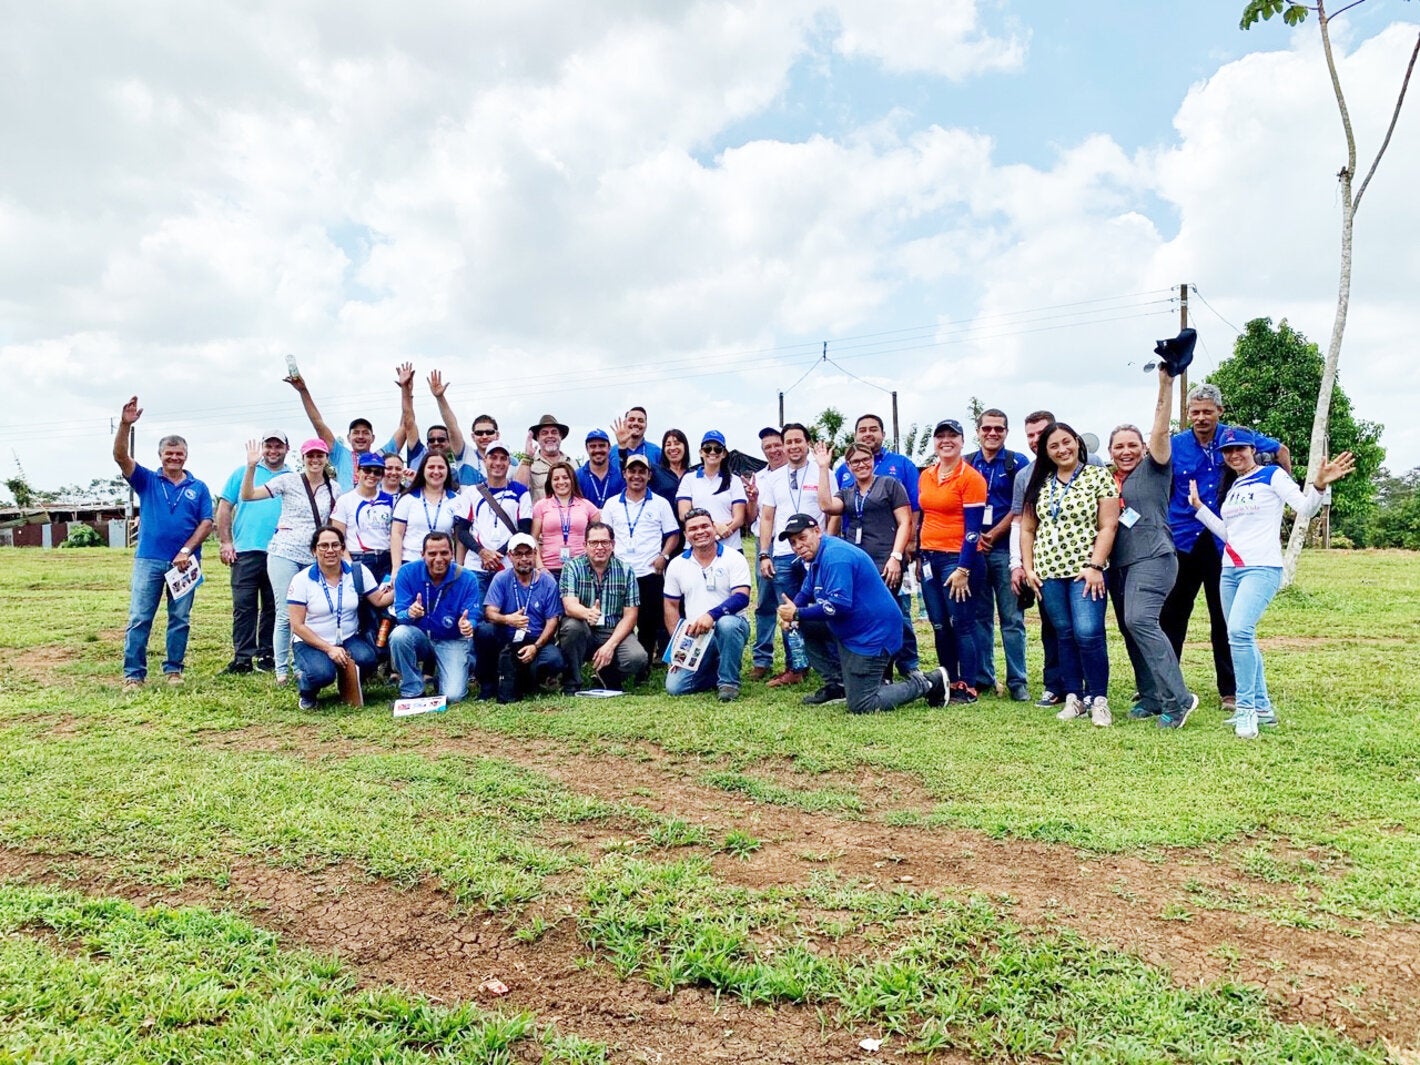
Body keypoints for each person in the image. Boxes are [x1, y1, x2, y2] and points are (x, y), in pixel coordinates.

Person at [1190, 432, 1353, 738]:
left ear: (1252, 449)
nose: (1234, 454)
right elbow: (1229, 534)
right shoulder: (1235, 485)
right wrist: (1199, 507)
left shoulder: (1272, 475)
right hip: (1230, 570)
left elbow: (1305, 509)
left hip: (1262, 567)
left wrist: (1319, 485)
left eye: (1239, 448)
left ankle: (1247, 709)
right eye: (1227, 450)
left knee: (1239, 632)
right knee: (1240, 637)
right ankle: (1263, 709)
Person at [1163, 383, 1291, 712]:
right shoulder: (1175, 445)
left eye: (1208, 411)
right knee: (1174, 613)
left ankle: (1230, 690)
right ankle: (1165, 684)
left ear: (1220, 411)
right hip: (1184, 537)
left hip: (1225, 541)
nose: (1201, 417)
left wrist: (1281, 497)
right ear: (1187, 414)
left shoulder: (1236, 438)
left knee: (1225, 617)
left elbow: (1281, 451)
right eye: (1195, 412)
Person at [776, 514, 947, 713]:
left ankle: (928, 682)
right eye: (793, 542)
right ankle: (838, 685)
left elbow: (839, 606)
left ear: (817, 532)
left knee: (862, 704)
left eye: (802, 538)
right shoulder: (818, 555)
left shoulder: (835, 557)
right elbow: (806, 591)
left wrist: (797, 614)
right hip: (854, 626)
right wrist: (793, 610)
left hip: (873, 632)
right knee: (803, 624)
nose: (798, 546)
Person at [1107, 370, 1199, 729]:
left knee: (1141, 620)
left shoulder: (1155, 468)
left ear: (1143, 448)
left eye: (1133, 445)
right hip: (1121, 564)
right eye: (1119, 446)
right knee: (1130, 628)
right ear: (1111, 452)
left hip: (1154, 556)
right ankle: (1150, 695)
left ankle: (1178, 700)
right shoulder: (1108, 478)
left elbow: (1161, 430)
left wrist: (1166, 383)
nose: (1126, 451)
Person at [1019, 422, 1120, 726]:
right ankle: (1074, 697)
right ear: (1045, 452)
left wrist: (1096, 565)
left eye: (1067, 442)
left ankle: (1098, 699)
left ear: (1077, 442)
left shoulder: (1098, 475)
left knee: (1088, 632)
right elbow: (1027, 528)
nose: (1062, 449)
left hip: (1084, 571)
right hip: (1049, 572)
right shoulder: (1040, 482)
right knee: (1063, 634)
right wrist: (1028, 568)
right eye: (1054, 446)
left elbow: (1108, 525)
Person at [112, 397, 214, 689]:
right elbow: (121, 457)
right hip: (149, 560)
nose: (174, 458)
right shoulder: (146, 481)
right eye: (169, 453)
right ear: (160, 456)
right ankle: (134, 675)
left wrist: (186, 550)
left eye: (179, 454)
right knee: (140, 618)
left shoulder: (199, 487)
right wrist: (125, 425)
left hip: (185, 563)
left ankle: (174, 671)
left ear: (186, 456)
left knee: (180, 619)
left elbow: (206, 522)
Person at [241, 436, 342, 686]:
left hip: (313, 556)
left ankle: (300, 664)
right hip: (284, 552)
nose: (315, 460)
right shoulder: (287, 480)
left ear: (326, 459)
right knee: (286, 613)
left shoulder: (334, 488)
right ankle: (282, 669)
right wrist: (252, 466)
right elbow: (248, 495)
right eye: (310, 456)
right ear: (303, 458)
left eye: (319, 455)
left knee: (307, 615)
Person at [814, 440, 918, 676]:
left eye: (865, 459)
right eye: (855, 462)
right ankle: (867, 671)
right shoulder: (848, 492)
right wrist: (823, 467)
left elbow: (905, 522)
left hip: (886, 562)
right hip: (859, 565)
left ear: (872, 460)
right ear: (848, 466)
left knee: (887, 617)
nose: (861, 465)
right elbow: (826, 505)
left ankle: (891, 672)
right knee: (863, 616)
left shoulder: (890, 485)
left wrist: (896, 556)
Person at [917, 419, 989, 703]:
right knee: (938, 623)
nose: (946, 441)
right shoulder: (927, 475)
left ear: (962, 441)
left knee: (962, 623)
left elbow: (973, 530)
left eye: (952, 436)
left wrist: (963, 568)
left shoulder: (971, 478)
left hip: (956, 560)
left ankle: (968, 685)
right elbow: (925, 515)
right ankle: (947, 679)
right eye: (940, 436)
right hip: (929, 558)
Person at [286, 525, 393, 710]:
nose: (330, 550)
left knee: (368, 660)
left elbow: (379, 600)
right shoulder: (301, 580)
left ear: (343, 549)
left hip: (348, 637)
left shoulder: (357, 572)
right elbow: (297, 626)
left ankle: (348, 684)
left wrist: (404, 586)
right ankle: (307, 691)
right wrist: (329, 649)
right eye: (323, 546)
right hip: (312, 640)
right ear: (314, 550)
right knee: (322, 674)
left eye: (335, 545)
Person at [967, 409, 1031, 701]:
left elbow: (1021, 507)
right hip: (975, 550)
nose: (992, 433)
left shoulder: (1017, 462)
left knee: (1012, 618)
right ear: (978, 431)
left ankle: (1017, 681)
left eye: (999, 429)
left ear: (1006, 432)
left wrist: (994, 534)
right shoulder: (966, 463)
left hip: (1006, 551)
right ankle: (983, 677)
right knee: (980, 617)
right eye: (987, 428)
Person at [215, 430, 291, 674]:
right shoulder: (243, 472)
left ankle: (267, 654)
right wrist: (226, 541)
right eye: (268, 446)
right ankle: (242, 658)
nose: (273, 451)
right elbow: (225, 506)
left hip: (280, 551)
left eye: (278, 446)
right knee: (244, 606)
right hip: (246, 550)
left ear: (287, 449)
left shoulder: (293, 477)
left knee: (274, 606)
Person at [757, 423, 824, 688]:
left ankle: (826, 661)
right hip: (785, 553)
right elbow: (767, 517)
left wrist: (825, 546)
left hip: (815, 553)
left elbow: (830, 513)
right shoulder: (773, 478)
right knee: (788, 610)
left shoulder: (823, 471)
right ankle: (795, 666)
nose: (793, 446)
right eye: (789, 442)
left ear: (807, 442)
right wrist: (764, 553)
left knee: (819, 608)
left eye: (798, 440)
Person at [663, 509, 753, 701]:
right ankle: (719, 667)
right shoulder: (677, 564)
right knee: (675, 687)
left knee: (727, 624)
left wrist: (712, 615)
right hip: (697, 637)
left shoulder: (733, 557)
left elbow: (742, 598)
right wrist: (678, 644)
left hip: (731, 627)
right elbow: (671, 605)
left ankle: (728, 684)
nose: (700, 532)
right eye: (693, 529)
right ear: (686, 535)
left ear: (714, 528)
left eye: (705, 526)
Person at [605, 454, 681, 671]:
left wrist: (664, 556)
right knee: (617, 619)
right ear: (624, 474)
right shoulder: (612, 504)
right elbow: (605, 535)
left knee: (648, 622)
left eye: (641, 472)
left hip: (649, 572)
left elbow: (673, 534)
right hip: (619, 573)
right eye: (632, 471)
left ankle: (643, 665)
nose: (636, 476)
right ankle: (617, 661)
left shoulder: (660, 503)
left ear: (649, 475)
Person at [1010, 410, 1064, 706]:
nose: (1035, 440)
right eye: (1029, 435)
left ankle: (1088, 687)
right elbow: (1020, 523)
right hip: (1044, 564)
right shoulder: (1025, 475)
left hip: (1082, 562)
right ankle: (1054, 685)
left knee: (1086, 628)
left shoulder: (1089, 466)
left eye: (1041, 434)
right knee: (1051, 626)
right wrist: (1018, 564)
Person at [388, 531, 482, 703]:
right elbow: (400, 616)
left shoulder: (467, 578)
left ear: (452, 554)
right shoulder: (407, 573)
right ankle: (412, 688)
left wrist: (468, 625)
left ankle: (450, 674)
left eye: (444, 553)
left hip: (451, 638)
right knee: (399, 634)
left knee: (453, 696)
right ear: (422, 555)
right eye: (432, 554)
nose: (439, 559)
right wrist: (410, 613)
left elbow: (473, 615)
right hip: (420, 638)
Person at [473, 534, 565, 702]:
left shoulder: (548, 582)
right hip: (506, 638)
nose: (524, 559)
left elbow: (553, 621)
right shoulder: (501, 578)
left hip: (534, 640)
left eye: (528, 553)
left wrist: (536, 646)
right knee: (484, 631)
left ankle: (528, 682)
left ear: (535, 554)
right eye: (518, 554)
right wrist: (508, 619)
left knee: (554, 660)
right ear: (510, 556)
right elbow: (489, 613)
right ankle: (488, 685)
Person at [557, 521, 647, 692]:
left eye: (605, 542)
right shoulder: (572, 567)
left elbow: (630, 615)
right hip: (584, 628)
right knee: (571, 627)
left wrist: (610, 645)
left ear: (612, 545)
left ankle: (606, 674)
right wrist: (587, 613)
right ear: (585, 545)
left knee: (637, 658)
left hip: (613, 629)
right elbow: (569, 606)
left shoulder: (626, 570)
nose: (600, 547)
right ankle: (572, 682)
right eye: (594, 543)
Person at [285, 364, 409, 488]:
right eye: (356, 432)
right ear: (348, 438)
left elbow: (405, 426)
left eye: (365, 433)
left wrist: (406, 390)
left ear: (373, 438)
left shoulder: (382, 456)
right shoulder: (340, 454)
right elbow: (318, 423)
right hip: (345, 506)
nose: (360, 436)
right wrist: (303, 390)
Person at [745, 426, 800, 680]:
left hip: (799, 545)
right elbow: (754, 518)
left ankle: (801, 661)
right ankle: (762, 659)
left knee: (798, 603)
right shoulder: (760, 477)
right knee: (766, 602)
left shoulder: (803, 471)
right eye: (768, 447)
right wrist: (753, 499)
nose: (774, 450)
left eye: (777, 445)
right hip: (766, 545)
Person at [452, 438, 533, 597]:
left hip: (509, 566)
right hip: (476, 565)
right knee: (476, 615)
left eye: (503, 458)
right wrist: (482, 552)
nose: (498, 462)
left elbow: (523, 530)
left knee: (508, 615)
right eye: (493, 457)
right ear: (485, 461)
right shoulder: (471, 492)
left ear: (509, 462)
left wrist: (497, 555)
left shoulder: (521, 492)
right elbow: (461, 530)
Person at [390, 449, 460, 582]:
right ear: (423, 470)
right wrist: (396, 568)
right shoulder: (407, 499)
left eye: (441, 467)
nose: (436, 471)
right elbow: (396, 534)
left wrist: (458, 567)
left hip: (443, 565)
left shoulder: (457, 501)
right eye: (431, 467)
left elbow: (458, 538)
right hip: (411, 562)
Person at [330, 452, 397, 582]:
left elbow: (396, 534)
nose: (371, 475)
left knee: (386, 600)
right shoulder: (345, 500)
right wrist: (349, 565)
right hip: (358, 558)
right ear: (358, 471)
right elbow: (338, 538)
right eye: (367, 470)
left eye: (377, 472)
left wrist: (395, 566)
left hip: (386, 558)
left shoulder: (391, 500)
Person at [677, 430, 747, 552]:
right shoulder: (689, 479)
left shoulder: (734, 480)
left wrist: (720, 534)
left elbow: (739, 518)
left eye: (718, 449)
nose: (712, 452)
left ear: (724, 453)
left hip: (729, 547)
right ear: (701, 452)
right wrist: (713, 526)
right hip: (696, 548)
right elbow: (684, 514)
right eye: (708, 449)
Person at [531, 461, 600, 582]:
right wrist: (540, 566)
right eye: (556, 479)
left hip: (581, 568)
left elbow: (599, 536)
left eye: (565, 477)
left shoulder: (587, 505)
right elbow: (534, 539)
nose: (561, 482)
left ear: (572, 480)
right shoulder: (541, 505)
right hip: (549, 570)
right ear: (550, 483)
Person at [514, 414, 571, 503]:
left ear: (560, 436)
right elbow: (517, 489)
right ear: (538, 438)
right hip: (539, 516)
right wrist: (528, 457)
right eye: (544, 433)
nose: (550, 436)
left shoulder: (571, 463)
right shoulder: (528, 462)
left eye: (554, 432)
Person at [458, 413, 520, 485]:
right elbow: (452, 429)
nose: (484, 436)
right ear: (473, 436)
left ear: (497, 435)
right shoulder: (465, 455)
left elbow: (519, 489)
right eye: (479, 433)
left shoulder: (513, 462)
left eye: (489, 432)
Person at [577, 428, 624, 509]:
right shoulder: (576, 476)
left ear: (609, 448)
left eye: (602, 445)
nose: (597, 450)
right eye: (593, 446)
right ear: (587, 449)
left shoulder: (621, 476)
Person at [648, 428, 690, 506]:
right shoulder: (655, 471)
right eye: (668, 444)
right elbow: (629, 472)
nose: (672, 448)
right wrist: (623, 448)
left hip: (690, 517)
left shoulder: (694, 474)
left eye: (677, 443)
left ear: (685, 447)